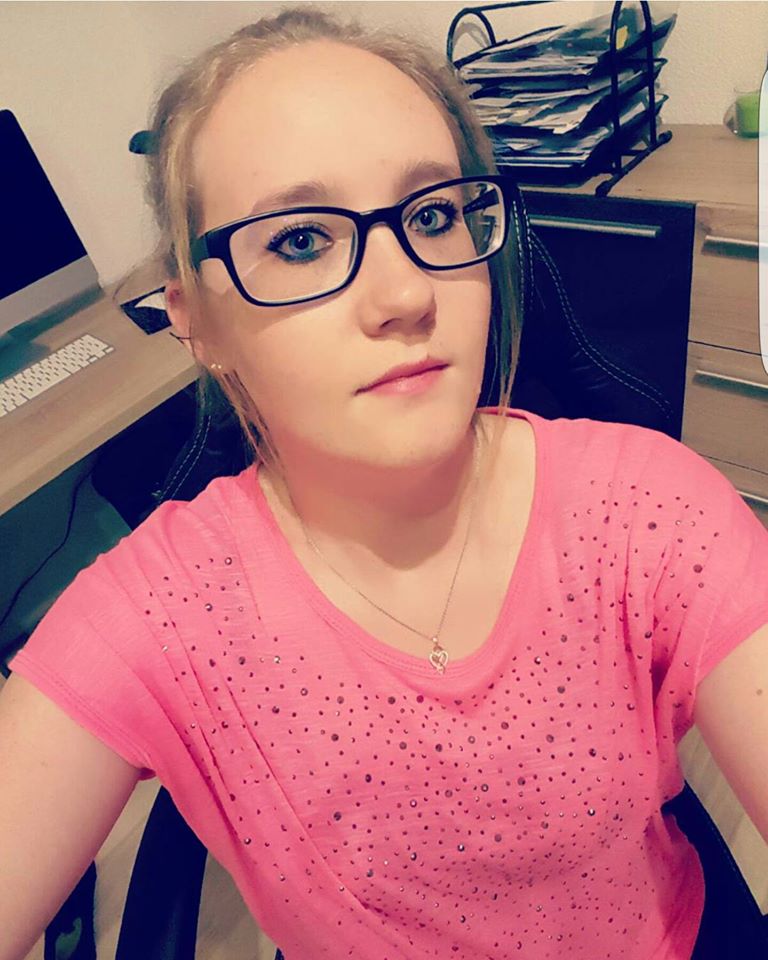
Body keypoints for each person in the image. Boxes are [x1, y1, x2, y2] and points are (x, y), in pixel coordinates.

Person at [1, 6, 767, 960]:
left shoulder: (648, 510)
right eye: (300, 241)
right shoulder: (161, 616)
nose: (408, 294)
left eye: (434, 215)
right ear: (195, 320)